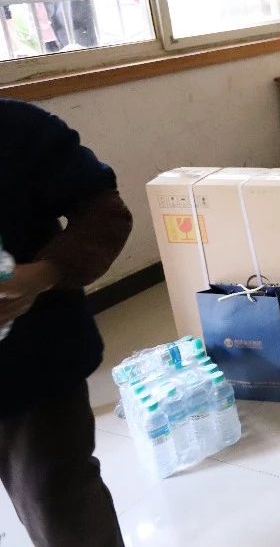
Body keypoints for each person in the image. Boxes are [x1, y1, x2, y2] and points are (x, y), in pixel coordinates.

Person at [0, 99, 133, 547]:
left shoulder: (18, 129)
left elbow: (105, 213)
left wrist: (42, 274)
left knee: (61, 508)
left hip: (31, 369)